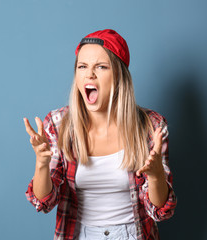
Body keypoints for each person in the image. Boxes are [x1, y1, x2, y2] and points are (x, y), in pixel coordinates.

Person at [24, 29, 177, 240]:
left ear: (119, 75)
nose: (89, 74)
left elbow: (160, 210)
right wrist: (41, 163)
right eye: (82, 67)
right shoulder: (58, 124)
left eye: (101, 67)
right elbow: (44, 202)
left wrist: (156, 174)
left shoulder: (151, 126)